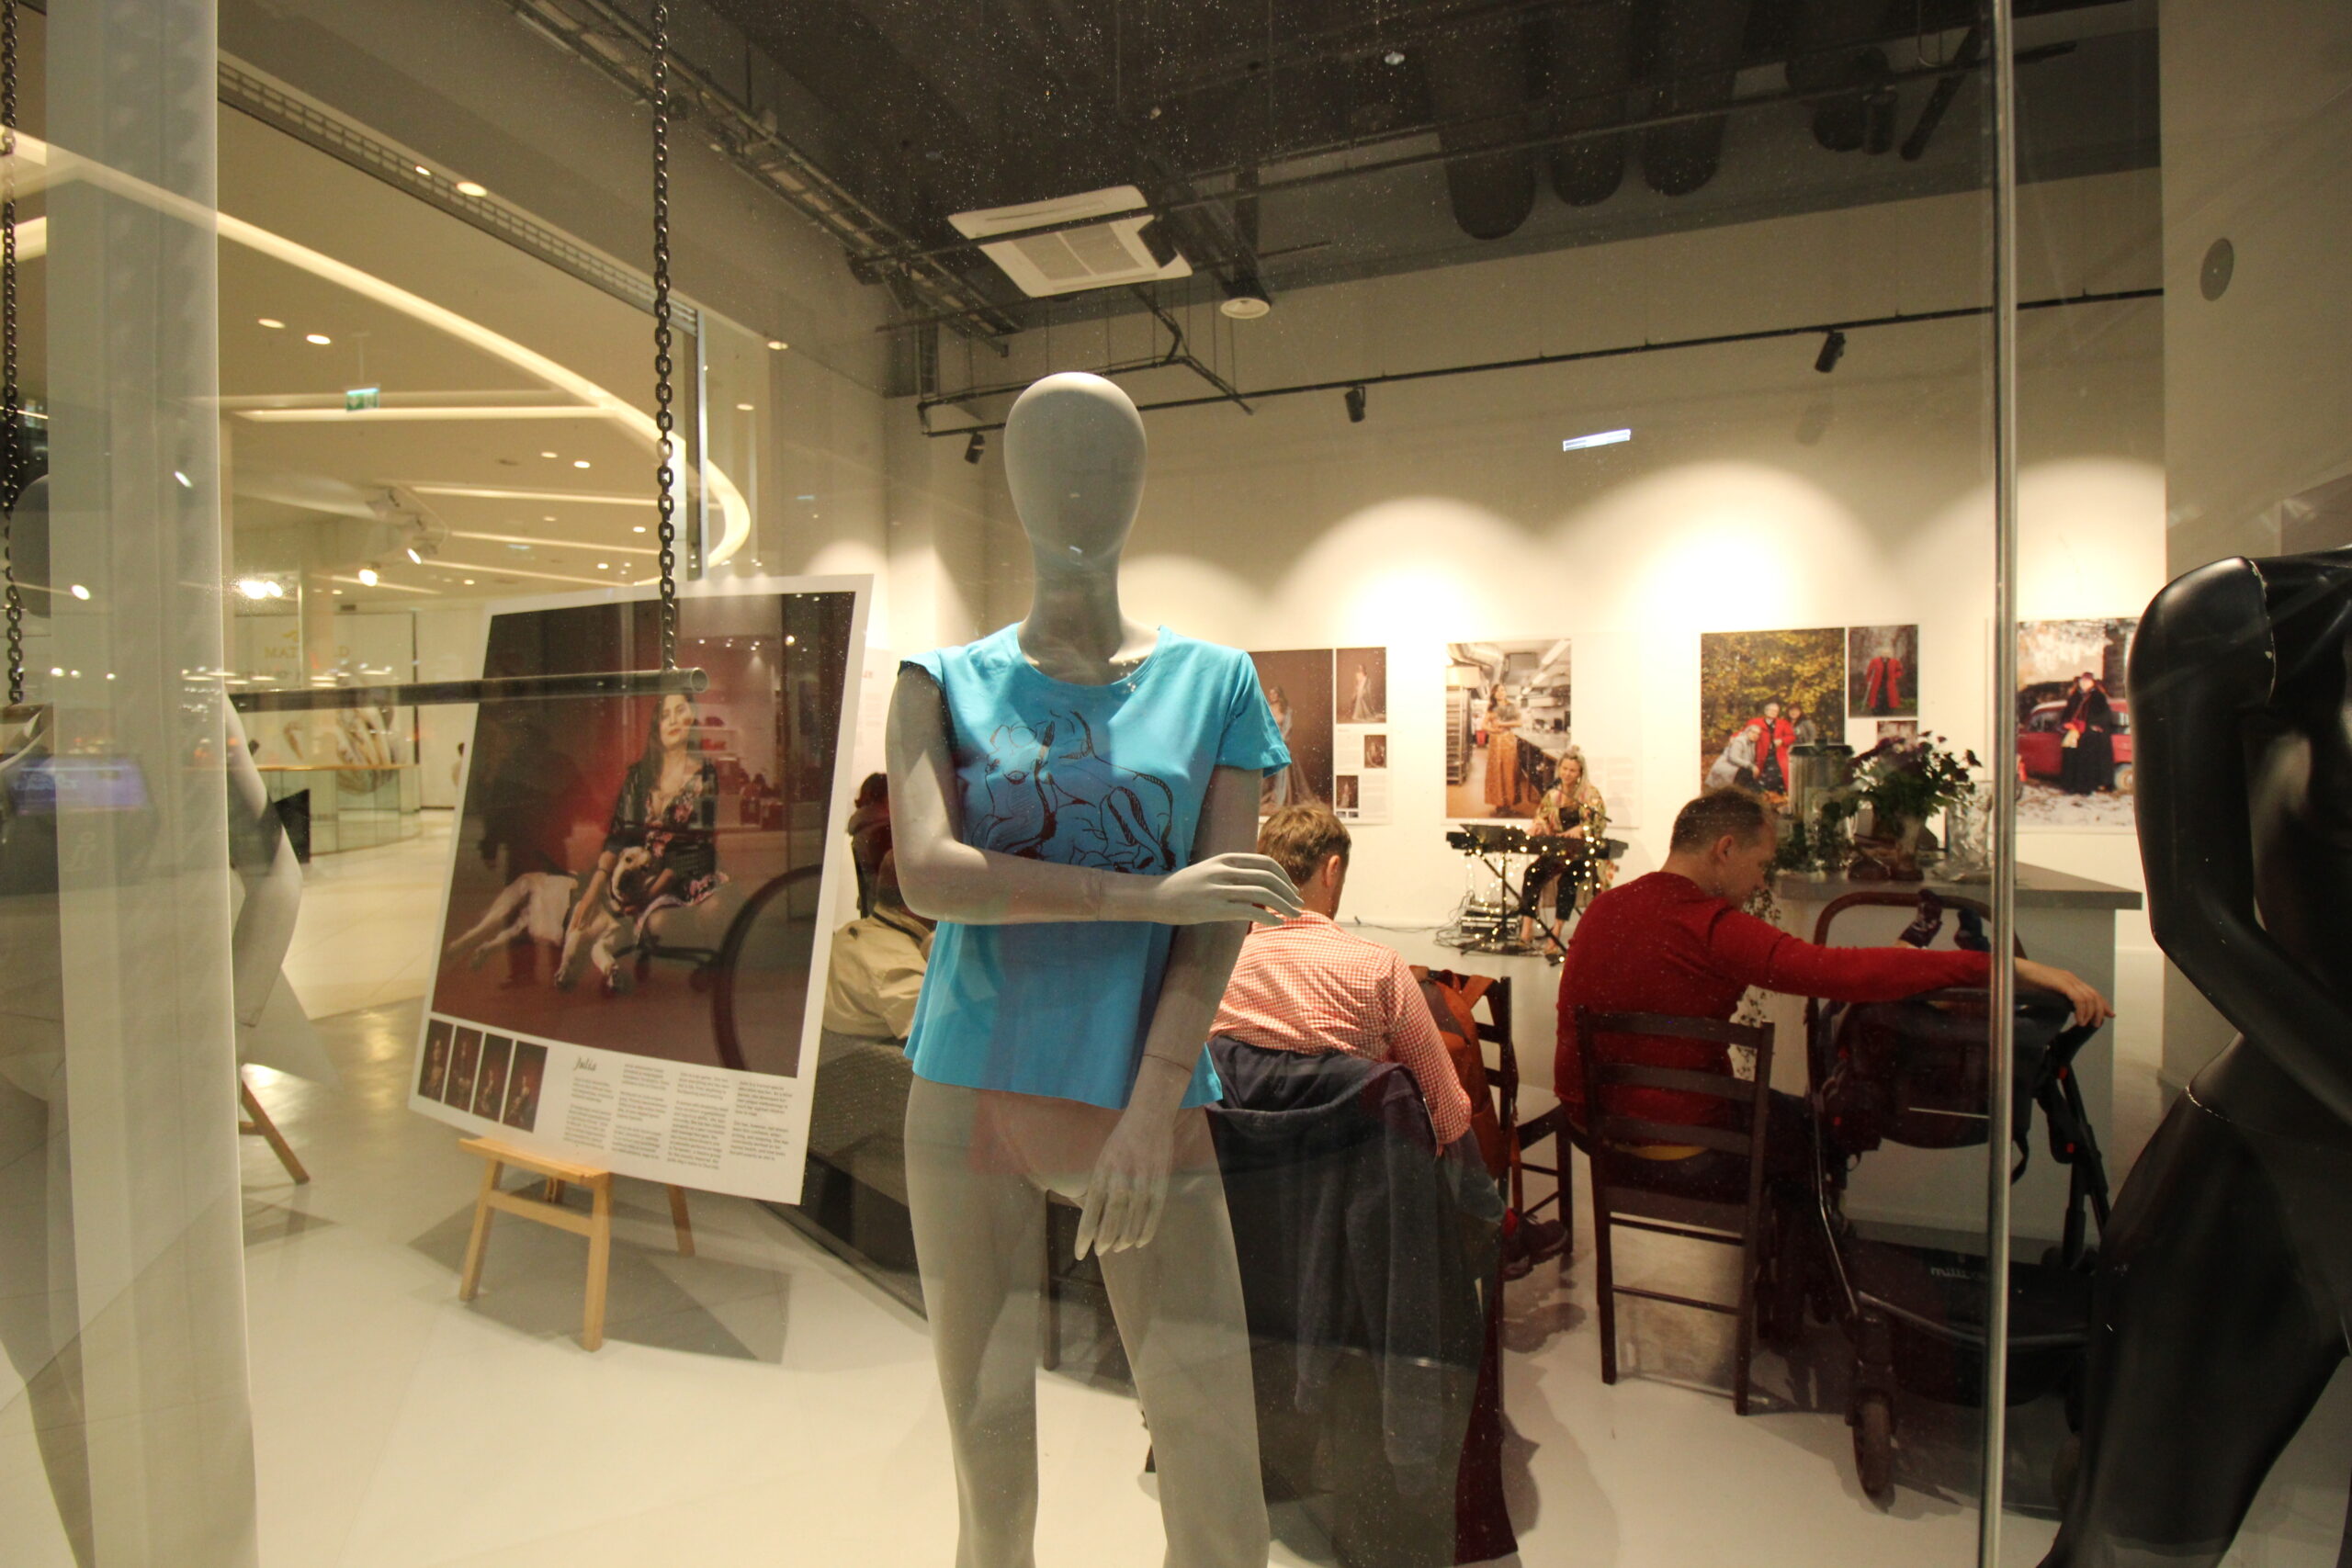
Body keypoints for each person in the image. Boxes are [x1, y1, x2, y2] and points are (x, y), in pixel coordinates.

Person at [1555, 788, 2112, 1200]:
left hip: (1592, 1129)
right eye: (1760, 865)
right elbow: (1842, 972)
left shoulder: (1605, 907)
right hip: (1674, 1141)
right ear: (1725, 849)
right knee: (1818, 1137)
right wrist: (2000, 967)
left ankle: (1786, 1268)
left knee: (1793, 1122)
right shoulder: (1712, 927)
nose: (1761, 882)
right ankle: (1793, 1282)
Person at [1213, 804, 1474, 1147]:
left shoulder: (1221, 971)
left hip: (1245, 1172)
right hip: (1356, 1173)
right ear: (1332, 870)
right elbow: (1447, 1117)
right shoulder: (1380, 969)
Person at [559, 690, 725, 994]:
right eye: (665, 715)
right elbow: (619, 837)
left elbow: (697, 846)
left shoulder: (705, 776)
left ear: (692, 718)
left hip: (683, 872)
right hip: (640, 871)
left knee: (666, 922)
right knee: (588, 912)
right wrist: (593, 891)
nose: (672, 720)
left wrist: (649, 894)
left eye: (680, 711)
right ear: (657, 726)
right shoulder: (639, 776)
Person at [820, 848, 934, 1044]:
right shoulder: (898, 971)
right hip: (890, 1058)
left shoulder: (849, 933)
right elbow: (943, 1040)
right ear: (920, 898)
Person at [1524, 745, 1610, 947]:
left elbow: (1599, 822)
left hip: (1583, 854)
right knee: (1532, 873)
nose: (1567, 774)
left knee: (1567, 881)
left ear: (1580, 773)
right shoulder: (1553, 794)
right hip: (1559, 851)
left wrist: (1582, 828)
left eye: (1572, 770)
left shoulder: (1590, 794)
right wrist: (1538, 826)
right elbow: (1542, 816)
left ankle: (1556, 932)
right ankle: (1526, 928)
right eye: (1564, 768)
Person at [2057, 671, 2118, 795]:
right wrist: (2067, 723)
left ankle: (2085, 788)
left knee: (2087, 763)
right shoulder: (2074, 697)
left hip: (2090, 737)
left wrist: (2091, 725)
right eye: (2082, 681)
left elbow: (2104, 716)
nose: (2084, 683)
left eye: (2087, 681)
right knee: (2071, 760)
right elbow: (2067, 714)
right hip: (2074, 734)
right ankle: (2070, 787)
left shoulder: (2099, 697)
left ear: (2092, 683)